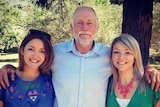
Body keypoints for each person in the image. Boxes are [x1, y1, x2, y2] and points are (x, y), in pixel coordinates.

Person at [0, 6, 159, 107]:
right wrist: (9, 68)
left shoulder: (109, 54)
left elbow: (126, 62)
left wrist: (148, 69)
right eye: (79, 23)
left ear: (97, 26)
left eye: (89, 23)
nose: (84, 27)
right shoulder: (55, 52)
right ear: (71, 27)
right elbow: (33, 63)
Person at [0, 29, 55, 107]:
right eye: (31, 49)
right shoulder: (5, 80)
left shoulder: (52, 79)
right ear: (22, 50)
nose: (35, 55)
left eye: (42, 51)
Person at [107, 34, 160, 107]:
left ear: (135, 57)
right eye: (116, 52)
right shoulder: (107, 84)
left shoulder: (152, 84)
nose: (121, 57)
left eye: (127, 52)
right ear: (111, 56)